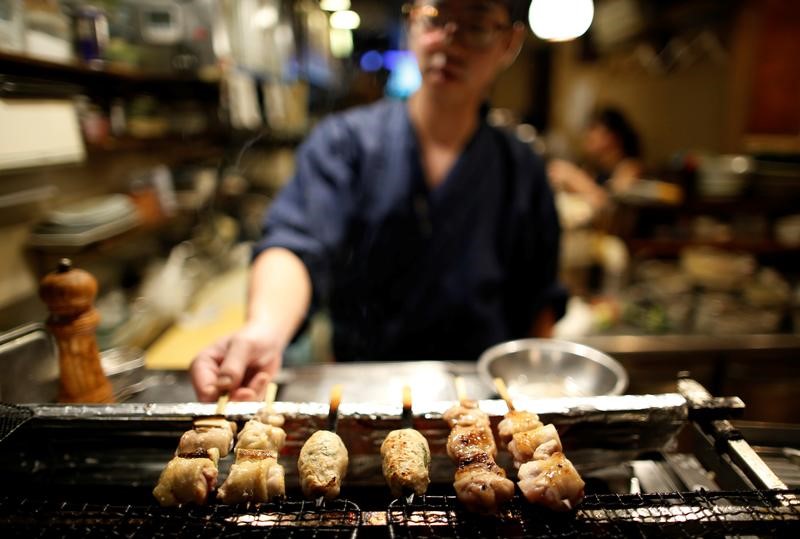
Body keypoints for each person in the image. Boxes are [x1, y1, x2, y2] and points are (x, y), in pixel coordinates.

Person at [191, 0, 567, 402]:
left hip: (483, 404)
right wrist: (264, 329)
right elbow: (296, 242)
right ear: (411, 24)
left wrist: (535, 396)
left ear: (509, 42)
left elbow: (540, 299)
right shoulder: (346, 143)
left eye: (475, 25)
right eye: (435, 19)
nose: (448, 42)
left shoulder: (522, 167)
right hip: (361, 395)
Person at [548, 107, 643, 215]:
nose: (587, 134)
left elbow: (613, 208)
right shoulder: (594, 166)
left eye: (593, 128)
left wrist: (576, 179)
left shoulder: (630, 168)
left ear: (611, 137)